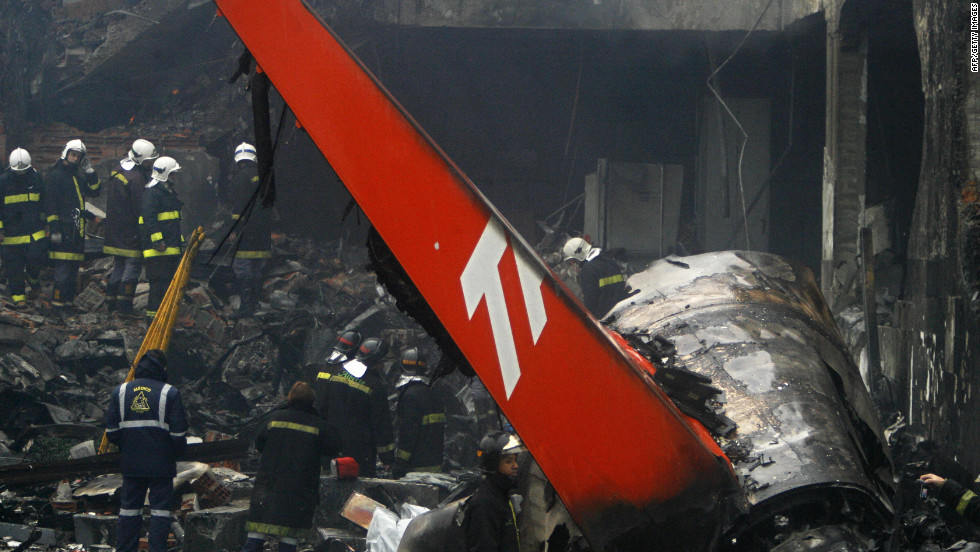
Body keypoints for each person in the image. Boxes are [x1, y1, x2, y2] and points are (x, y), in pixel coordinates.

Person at [241, 381, 341, 552]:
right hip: (299, 486)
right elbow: (332, 448)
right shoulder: (318, 425)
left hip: (269, 483)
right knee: (289, 535)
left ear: (291, 397)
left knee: (257, 529)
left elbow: (259, 444)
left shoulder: (273, 418)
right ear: (311, 399)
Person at [105, 350, 188, 552]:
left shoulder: (120, 392)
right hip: (161, 464)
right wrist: (171, 452)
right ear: (162, 368)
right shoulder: (171, 393)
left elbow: (112, 433)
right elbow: (178, 436)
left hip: (132, 463)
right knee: (160, 511)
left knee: (129, 510)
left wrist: (130, 447)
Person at [315, 336, 394, 477]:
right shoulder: (374, 385)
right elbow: (381, 425)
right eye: (382, 362)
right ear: (374, 360)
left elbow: (322, 407)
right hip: (359, 453)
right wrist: (387, 457)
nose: (383, 366)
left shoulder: (336, 373)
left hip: (331, 446)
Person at [44, 139, 101, 308]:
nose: (76, 159)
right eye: (73, 154)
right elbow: (50, 205)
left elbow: (95, 191)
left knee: (73, 271)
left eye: (79, 156)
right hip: (62, 231)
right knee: (62, 271)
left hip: (76, 231)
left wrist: (90, 171)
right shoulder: (55, 176)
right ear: (65, 153)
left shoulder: (78, 176)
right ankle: (57, 305)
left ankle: (68, 304)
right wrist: (54, 230)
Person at [104, 139, 157, 315]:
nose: (150, 163)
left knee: (118, 265)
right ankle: (124, 307)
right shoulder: (137, 178)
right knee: (132, 266)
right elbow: (140, 206)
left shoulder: (118, 171)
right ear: (142, 159)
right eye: (149, 160)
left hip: (115, 229)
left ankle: (111, 303)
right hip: (131, 231)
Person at [227, 142, 272, 318]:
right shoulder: (263, 175)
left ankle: (246, 309)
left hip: (246, 232)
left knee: (243, 268)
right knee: (256, 269)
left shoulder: (240, 178)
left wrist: (235, 230)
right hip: (262, 232)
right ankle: (254, 305)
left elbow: (239, 208)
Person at [463, 431, 526, 552]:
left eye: (515, 460)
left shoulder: (502, 496)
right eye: (509, 461)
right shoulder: (485, 504)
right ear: (493, 465)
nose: (515, 466)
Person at [0, 148, 47, 308]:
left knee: (37, 259)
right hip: (11, 235)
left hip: (35, 233)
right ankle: (19, 298)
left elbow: (43, 203)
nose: (21, 174)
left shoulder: (36, 178)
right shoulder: (3, 181)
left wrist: (46, 224)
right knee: (14, 268)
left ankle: (33, 279)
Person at [140, 157, 184, 319]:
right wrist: (157, 241)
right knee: (158, 285)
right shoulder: (152, 194)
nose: (175, 176)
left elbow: (172, 223)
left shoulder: (167, 193)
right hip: (157, 250)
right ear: (165, 173)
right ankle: (153, 320)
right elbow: (149, 220)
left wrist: (180, 241)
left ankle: (164, 318)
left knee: (167, 284)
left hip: (170, 247)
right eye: (172, 173)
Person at [392, 347, 445, 478]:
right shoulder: (433, 393)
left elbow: (408, 434)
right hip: (435, 464)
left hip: (415, 468)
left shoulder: (410, 396)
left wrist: (400, 462)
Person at [562, 237, 629, 318]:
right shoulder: (608, 261)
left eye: (574, 260)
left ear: (579, 254)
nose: (575, 263)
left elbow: (591, 300)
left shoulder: (588, 270)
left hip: (604, 316)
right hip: (621, 309)